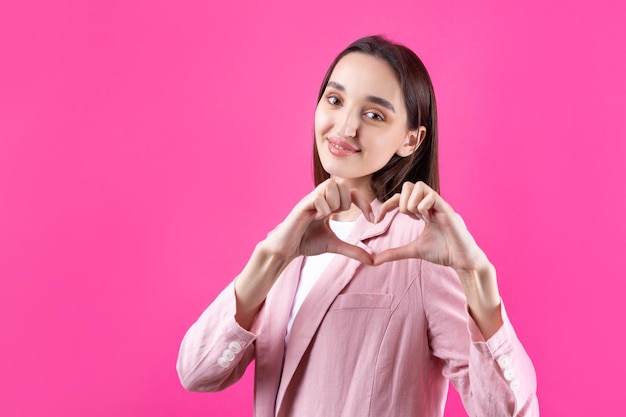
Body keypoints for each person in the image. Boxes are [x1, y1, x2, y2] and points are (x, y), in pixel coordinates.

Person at [177, 35, 539, 416]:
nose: (346, 127)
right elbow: (197, 373)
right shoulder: (293, 241)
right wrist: (270, 258)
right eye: (335, 100)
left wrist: (478, 279)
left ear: (411, 140)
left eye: (374, 115)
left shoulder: (420, 248)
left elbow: (511, 412)